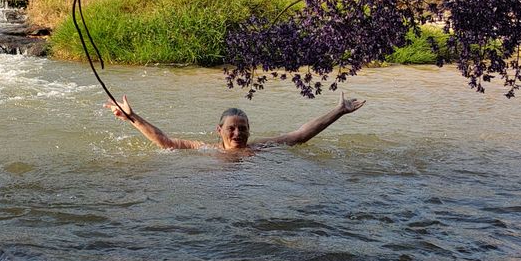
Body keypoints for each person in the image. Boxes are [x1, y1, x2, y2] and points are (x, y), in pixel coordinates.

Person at [105, 93, 365, 151]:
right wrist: (132, 117)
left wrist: (339, 111)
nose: (238, 133)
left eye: (242, 129)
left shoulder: (260, 148)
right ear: (219, 131)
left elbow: (299, 135)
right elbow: (165, 141)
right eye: (232, 128)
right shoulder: (205, 149)